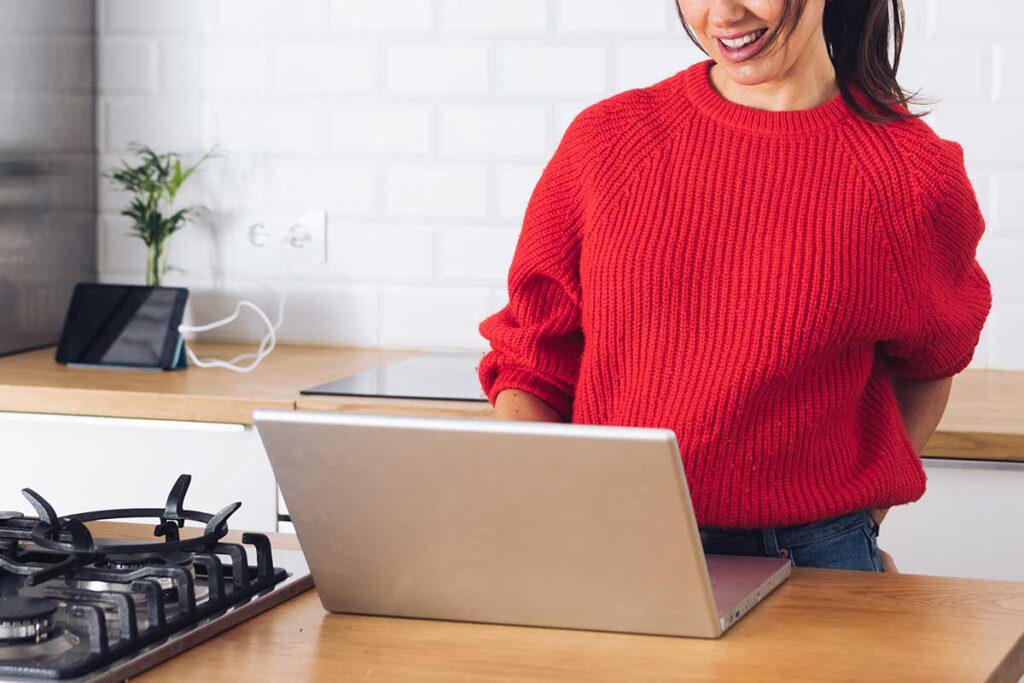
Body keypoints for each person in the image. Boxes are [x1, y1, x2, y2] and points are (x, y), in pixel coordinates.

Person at [476, 0, 993, 573]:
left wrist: (860, 524)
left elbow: (929, 367)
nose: (721, 13)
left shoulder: (910, 178)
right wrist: (545, 516)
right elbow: (533, 360)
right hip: (611, 540)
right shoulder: (610, 142)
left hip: (813, 555)